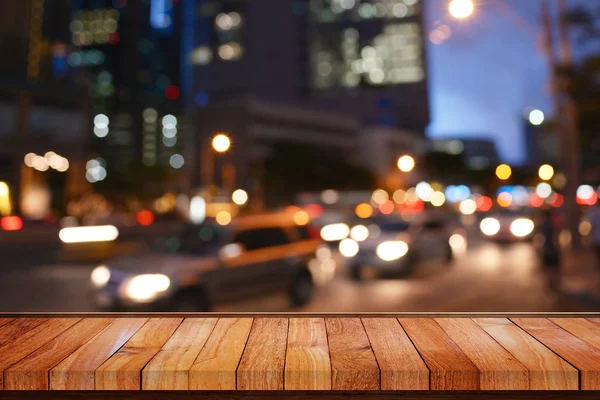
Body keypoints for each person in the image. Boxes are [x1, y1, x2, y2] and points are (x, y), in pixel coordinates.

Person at [539, 209, 561, 291]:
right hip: (552, 248)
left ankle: (551, 282)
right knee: (554, 266)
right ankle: (553, 282)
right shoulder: (552, 224)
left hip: (548, 248)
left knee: (549, 266)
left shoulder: (545, 225)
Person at [588, 202, 600, 283]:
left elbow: (591, 226)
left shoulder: (593, 211)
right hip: (596, 239)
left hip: (596, 239)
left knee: (598, 258)